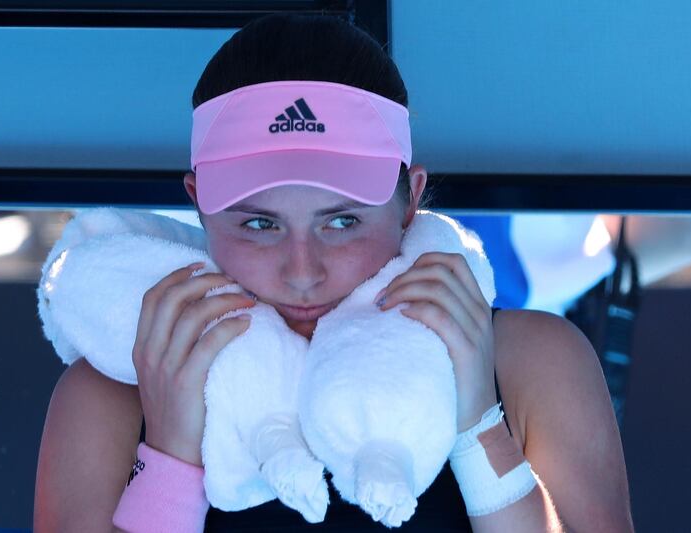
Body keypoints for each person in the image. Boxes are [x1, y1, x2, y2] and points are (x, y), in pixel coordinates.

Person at [33, 13, 634, 532]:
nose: (302, 272)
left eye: (342, 223)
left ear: (411, 203)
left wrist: (477, 423)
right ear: (199, 206)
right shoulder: (113, 390)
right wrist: (169, 454)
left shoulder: (529, 361)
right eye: (260, 225)